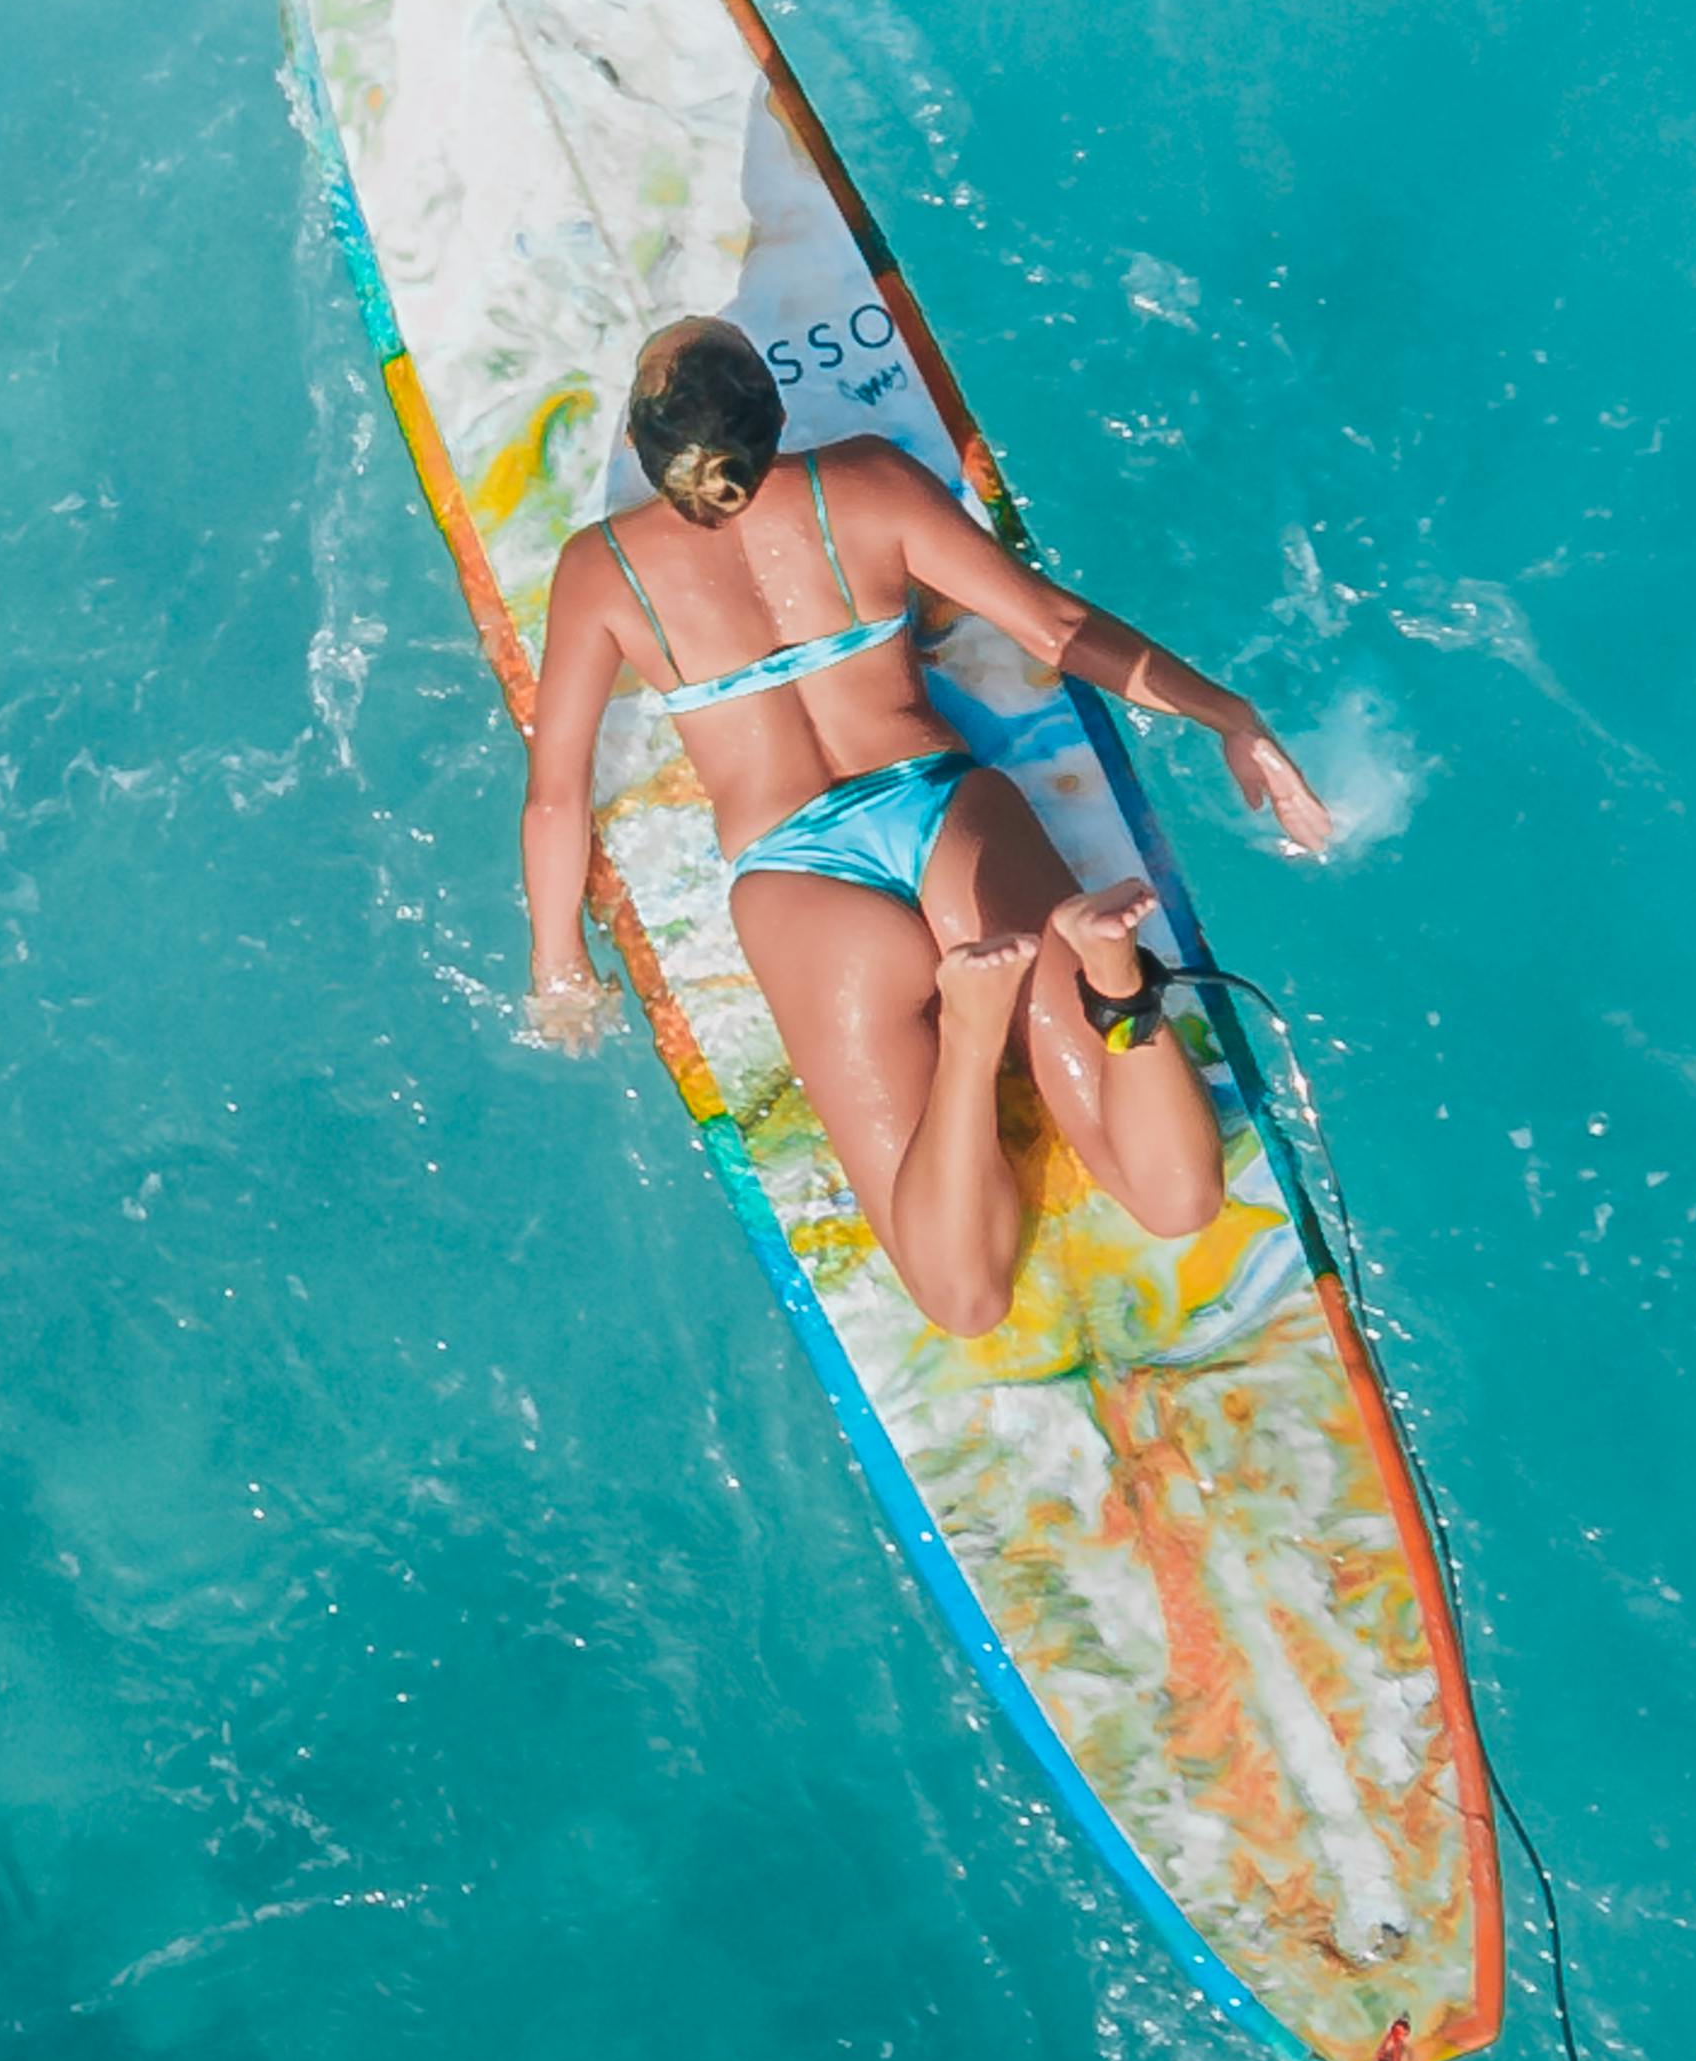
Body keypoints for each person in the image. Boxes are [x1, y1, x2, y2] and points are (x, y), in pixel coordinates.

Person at [522, 312, 1337, 1334]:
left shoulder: (599, 568)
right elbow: (1055, 628)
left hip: (799, 877)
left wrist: (558, 966)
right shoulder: (863, 481)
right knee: (1177, 1199)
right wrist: (1231, 715)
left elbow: (555, 793)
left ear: (654, 462)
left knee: (963, 1298)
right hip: (947, 813)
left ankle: (966, 1032)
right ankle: (1114, 981)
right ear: (774, 418)